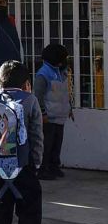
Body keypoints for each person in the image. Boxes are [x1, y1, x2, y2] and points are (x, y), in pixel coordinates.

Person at [0, 60, 43, 224]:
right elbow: (37, 135)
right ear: (27, 84)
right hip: (23, 165)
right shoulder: (30, 100)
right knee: (30, 209)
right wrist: (37, 162)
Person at [35, 44, 73, 180]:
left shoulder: (62, 72)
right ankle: (43, 169)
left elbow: (66, 93)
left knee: (57, 143)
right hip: (49, 118)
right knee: (47, 144)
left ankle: (54, 166)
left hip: (60, 116)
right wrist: (43, 113)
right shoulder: (43, 74)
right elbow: (38, 96)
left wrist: (70, 108)